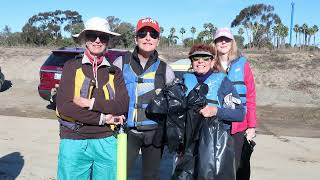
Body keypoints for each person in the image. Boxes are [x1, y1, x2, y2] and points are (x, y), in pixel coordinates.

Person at [56, 17, 129, 180]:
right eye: (92, 36)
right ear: (84, 39)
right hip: (74, 139)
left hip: (107, 140)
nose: (97, 40)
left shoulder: (114, 71)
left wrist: (90, 103)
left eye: (102, 36)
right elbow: (65, 107)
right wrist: (103, 118)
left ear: (108, 41)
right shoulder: (71, 67)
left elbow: (122, 106)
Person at [113, 17, 175, 180]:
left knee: (150, 176)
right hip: (126, 132)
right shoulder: (120, 63)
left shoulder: (165, 70)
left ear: (158, 40)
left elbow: (174, 106)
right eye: (143, 33)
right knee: (119, 174)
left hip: (155, 134)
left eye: (153, 34)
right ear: (135, 38)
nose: (148, 38)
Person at [179, 43, 245, 179]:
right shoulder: (184, 81)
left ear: (213, 61)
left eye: (205, 57)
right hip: (188, 145)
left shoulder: (223, 82)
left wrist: (216, 111)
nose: (201, 61)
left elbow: (240, 113)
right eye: (196, 58)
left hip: (215, 147)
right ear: (191, 62)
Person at [213, 27, 257, 177]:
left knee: (237, 167)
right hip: (216, 126)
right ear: (215, 43)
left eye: (227, 39)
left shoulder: (243, 65)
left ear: (232, 42)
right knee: (217, 168)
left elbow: (250, 96)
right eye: (220, 39)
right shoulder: (210, 65)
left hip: (239, 127)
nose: (223, 42)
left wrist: (251, 126)